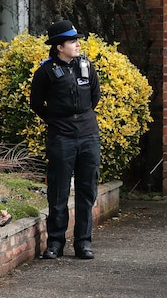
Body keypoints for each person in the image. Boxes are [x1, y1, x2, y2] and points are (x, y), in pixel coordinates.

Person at [29, 20, 101, 260]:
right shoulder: (46, 71)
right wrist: (57, 120)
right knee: (58, 191)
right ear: (59, 46)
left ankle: (83, 243)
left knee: (87, 190)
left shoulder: (86, 66)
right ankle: (55, 244)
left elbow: (95, 96)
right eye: (72, 41)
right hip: (61, 137)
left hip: (88, 135)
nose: (77, 44)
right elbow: (36, 103)